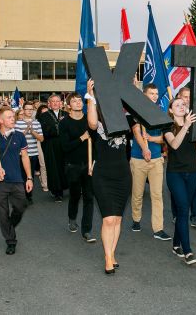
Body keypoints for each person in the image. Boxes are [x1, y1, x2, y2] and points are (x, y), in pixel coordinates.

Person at [86, 79, 131, 274]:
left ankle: (112, 253)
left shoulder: (125, 119)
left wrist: (133, 90)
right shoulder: (100, 121)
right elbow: (92, 123)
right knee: (108, 219)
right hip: (103, 174)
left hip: (122, 174)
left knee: (118, 219)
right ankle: (107, 257)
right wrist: (90, 96)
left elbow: (139, 110)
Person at [0, 106, 34, 255]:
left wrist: (29, 177)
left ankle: (10, 226)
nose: (13, 119)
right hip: (0, 181)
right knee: (3, 212)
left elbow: (25, 157)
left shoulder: (19, 135)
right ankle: (11, 241)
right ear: (0, 120)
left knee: (21, 206)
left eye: (13, 116)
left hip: (17, 179)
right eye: (9, 117)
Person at [164, 97, 196, 265]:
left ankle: (175, 244)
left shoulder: (194, 124)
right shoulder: (167, 126)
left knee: (184, 210)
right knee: (182, 208)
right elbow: (174, 144)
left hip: (193, 172)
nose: (181, 106)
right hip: (175, 174)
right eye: (177, 105)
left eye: (183, 104)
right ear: (171, 110)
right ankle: (187, 251)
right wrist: (185, 125)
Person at [129, 84, 170, 240]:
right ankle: (136, 219)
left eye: (156, 93)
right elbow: (136, 132)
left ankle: (158, 229)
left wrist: (152, 139)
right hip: (138, 159)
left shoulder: (160, 113)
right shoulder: (136, 111)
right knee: (137, 193)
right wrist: (144, 148)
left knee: (157, 195)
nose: (154, 96)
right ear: (144, 95)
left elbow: (165, 137)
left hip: (156, 159)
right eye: (151, 93)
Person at [59, 93, 96, 243]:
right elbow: (65, 147)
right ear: (69, 106)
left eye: (80, 100)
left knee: (89, 197)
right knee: (75, 195)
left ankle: (86, 230)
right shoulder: (64, 123)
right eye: (74, 101)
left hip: (88, 164)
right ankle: (72, 219)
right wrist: (82, 138)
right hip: (72, 165)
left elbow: (96, 142)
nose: (78, 103)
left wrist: (95, 161)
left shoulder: (89, 120)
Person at [176, 86, 196, 229]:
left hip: (192, 157)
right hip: (178, 159)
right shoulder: (173, 115)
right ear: (179, 97)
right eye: (185, 97)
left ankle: (195, 216)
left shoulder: (194, 114)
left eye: (189, 97)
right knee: (178, 189)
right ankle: (178, 214)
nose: (187, 100)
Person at [37, 94, 68, 202]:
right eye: (53, 101)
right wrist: (58, 127)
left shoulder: (66, 114)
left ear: (61, 103)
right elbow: (45, 131)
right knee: (53, 168)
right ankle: (57, 191)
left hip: (64, 144)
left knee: (64, 166)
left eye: (57, 101)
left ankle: (65, 187)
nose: (55, 103)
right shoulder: (43, 116)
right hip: (51, 145)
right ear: (49, 104)